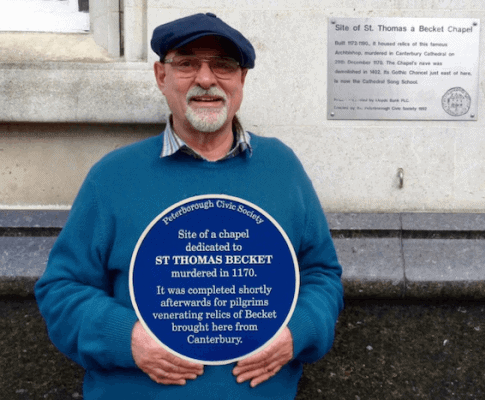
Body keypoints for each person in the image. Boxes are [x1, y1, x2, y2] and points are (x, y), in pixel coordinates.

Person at [35, 12, 344, 399]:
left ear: (241, 80)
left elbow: (321, 274)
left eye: (223, 65)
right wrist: (125, 337)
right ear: (160, 76)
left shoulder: (282, 169)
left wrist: (297, 331)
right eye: (186, 64)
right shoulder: (113, 176)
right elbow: (62, 288)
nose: (205, 79)